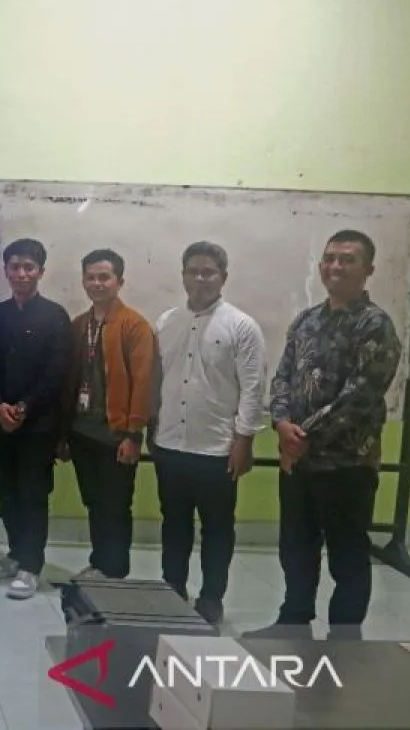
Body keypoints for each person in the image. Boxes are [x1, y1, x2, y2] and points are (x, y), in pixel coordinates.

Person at [247, 229, 401, 641]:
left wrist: (301, 439)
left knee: (347, 555)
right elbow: (283, 377)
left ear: (368, 269)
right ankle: (293, 622)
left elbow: (360, 396)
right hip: (298, 462)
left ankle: (345, 639)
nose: (336, 266)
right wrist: (281, 425)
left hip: (347, 464)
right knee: (296, 548)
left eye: (348, 259)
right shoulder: (307, 320)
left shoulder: (375, 325)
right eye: (330, 258)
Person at [149, 242, 267, 625]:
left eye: (208, 272)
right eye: (192, 271)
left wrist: (244, 441)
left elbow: (253, 389)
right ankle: (173, 589)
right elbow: (157, 381)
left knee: (217, 529)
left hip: (217, 448)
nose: (200, 278)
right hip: (170, 444)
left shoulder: (242, 327)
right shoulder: (166, 322)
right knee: (174, 523)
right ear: (183, 275)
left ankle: (212, 597)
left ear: (223, 277)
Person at [0, 238, 73, 600]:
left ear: (40, 272)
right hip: (0, 421)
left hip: (38, 424)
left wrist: (23, 407)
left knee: (32, 493)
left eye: (28, 267)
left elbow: (56, 372)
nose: (21, 274)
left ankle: (31, 566)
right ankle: (16, 553)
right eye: (14, 267)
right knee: (5, 489)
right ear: (5, 270)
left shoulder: (55, 316)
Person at [64, 248, 156, 581]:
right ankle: (99, 562)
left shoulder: (135, 326)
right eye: (91, 277)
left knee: (115, 506)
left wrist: (133, 435)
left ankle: (115, 572)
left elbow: (144, 383)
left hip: (116, 436)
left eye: (104, 277)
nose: (97, 283)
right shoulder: (79, 325)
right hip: (82, 431)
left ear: (119, 281)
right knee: (94, 503)